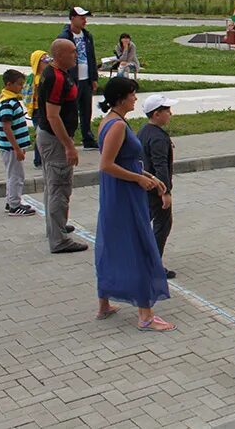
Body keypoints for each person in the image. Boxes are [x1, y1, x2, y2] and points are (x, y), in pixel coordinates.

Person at [94, 77, 174, 331]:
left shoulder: (108, 121)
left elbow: (127, 161)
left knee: (112, 242)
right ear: (121, 98)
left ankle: (104, 303)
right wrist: (139, 179)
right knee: (139, 244)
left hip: (117, 191)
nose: (135, 99)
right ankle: (145, 314)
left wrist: (150, 177)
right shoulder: (117, 125)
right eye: (132, 94)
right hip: (124, 194)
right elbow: (107, 164)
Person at [38, 39, 87, 253]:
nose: (76, 55)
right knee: (59, 188)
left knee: (52, 185)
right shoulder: (55, 78)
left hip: (49, 137)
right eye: (72, 52)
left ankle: (55, 228)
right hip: (55, 139)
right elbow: (53, 116)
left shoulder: (56, 73)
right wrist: (69, 145)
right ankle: (59, 240)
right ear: (59, 55)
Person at [138, 95, 178, 279]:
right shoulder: (158, 138)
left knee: (146, 222)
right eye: (167, 110)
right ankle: (153, 265)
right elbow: (160, 165)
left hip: (145, 187)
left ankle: (142, 259)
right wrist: (165, 192)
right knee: (163, 224)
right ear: (156, 114)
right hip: (155, 189)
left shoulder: (144, 131)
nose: (170, 113)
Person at [57, 7, 99, 150]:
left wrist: (94, 78)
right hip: (72, 79)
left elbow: (91, 57)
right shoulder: (64, 37)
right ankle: (68, 138)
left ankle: (88, 138)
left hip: (86, 78)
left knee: (86, 109)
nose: (84, 21)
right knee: (71, 110)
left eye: (85, 18)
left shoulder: (87, 36)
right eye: (81, 18)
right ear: (72, 18)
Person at [0, 70, 36, 216]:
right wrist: (17, 148)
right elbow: (6, 127)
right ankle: (15, 205)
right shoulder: (8, 103)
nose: (21, 87)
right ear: (9, 84)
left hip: (13, 147)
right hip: (11, 147)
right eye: (19, 84)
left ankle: (11, 201)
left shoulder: (11, 99)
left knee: (13, 174)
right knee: (16, 176)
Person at [22, 50, 51, 169]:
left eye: (49, 60)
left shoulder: (46, 76)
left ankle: (45, 158)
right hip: (38, 111)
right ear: (37, 63)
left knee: (47, 134)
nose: (48, 63)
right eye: (45, 61)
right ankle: (38, 160)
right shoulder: (36, 79)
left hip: (46, 109)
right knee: (41, 134)